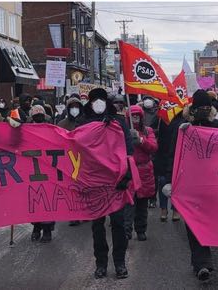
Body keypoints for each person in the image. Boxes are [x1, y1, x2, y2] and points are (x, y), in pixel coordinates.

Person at [83, 88, 134, 280]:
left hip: (116, 181)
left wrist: (125, 176)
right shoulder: (83, 122)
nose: (98, 102)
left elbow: (128, 151)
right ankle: (101, 263)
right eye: (94, 99)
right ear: (89, 102)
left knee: (119, 224)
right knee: (97, 226)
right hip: (94, 182)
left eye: (101, 99)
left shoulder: (119, 122)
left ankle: (120, 262)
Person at [177, 90, 218, 282]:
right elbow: (173, 150)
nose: (205, 110)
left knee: (212, 221)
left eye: (207, 107)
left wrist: (214, 126)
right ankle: (201, 263)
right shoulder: (182, 125)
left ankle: (208, 252)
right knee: (194, 223)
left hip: (215, 181)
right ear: (193, 108)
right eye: (201, 107)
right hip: (191, 182)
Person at [28, 104, 57, 242]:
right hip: (31, 172)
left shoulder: (51, 130)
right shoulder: (26, 130)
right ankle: (36, 227)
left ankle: (47, 230)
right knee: (34, 202)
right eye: (36, 116)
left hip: (47, 171)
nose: (38, 118)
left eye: (40, 116)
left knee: (47, 202)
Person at [128, 105, 158, 241]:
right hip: (128, 171)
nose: (135, 118)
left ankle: (141, 230)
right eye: (132, 116)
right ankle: (127, 231)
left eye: (137, 116)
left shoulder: (148, 131)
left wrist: (141, 140)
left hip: (144, 171)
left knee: (142, 205)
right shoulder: (123, 131)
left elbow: (153, 147)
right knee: (128, 205)